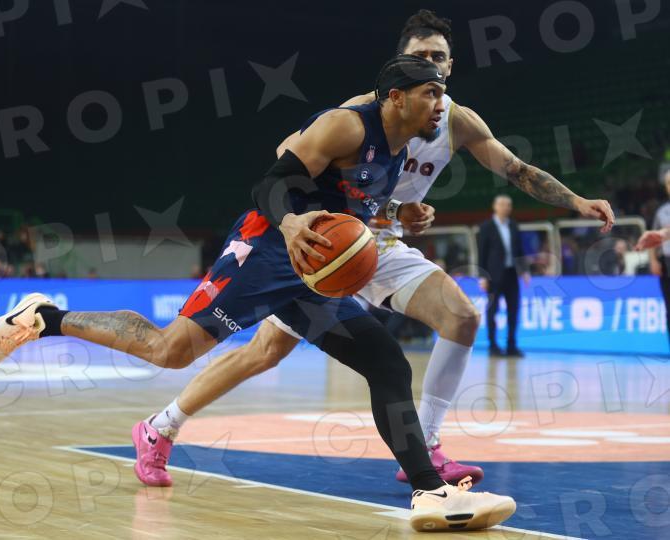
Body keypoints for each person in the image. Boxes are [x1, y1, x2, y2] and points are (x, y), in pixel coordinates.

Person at [0, 54, 516, 531]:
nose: (441, 104)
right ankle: (46, 317)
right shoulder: (347, 126)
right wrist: (289, 223)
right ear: (396, 97)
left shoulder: (400, 150)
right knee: (170, 351)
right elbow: (270, 184)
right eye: (431, 93)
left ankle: (429, 491)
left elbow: (348, 199)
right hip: (265, 252)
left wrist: (398, 212)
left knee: (386, 362)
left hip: (311, 273)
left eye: (443, 93)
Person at [133, 9, 615, 490]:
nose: (430, 63)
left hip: (378, 246)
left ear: (450, 66)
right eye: (420, 55)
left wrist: (577, 201)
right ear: (399, 66)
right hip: (335, 238)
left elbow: (517, 170)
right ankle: (162, 425)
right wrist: (384, 208)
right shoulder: (366, 109)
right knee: (265, 351)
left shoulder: (457, 121)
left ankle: (426, 446)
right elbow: (288, 156)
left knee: (462, 317)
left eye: (438, 57)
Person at [478, 195, 529, 357]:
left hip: (511, 273)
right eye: (502, 204)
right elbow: (481, 253)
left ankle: (511, 345)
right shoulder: (486, 227)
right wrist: (482, 276)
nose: (505, 208)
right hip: (493, 275)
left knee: (513, 310)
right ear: (495, 206)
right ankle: (493, 345)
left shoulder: (513, 225)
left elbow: (519, 250)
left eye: (508, 205)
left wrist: (524, 270)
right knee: (493, 311)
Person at [636, 169, 670, 348]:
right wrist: (654, 260)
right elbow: (654, 237)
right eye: (668, 183)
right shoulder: (662, 211)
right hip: (666, 261)